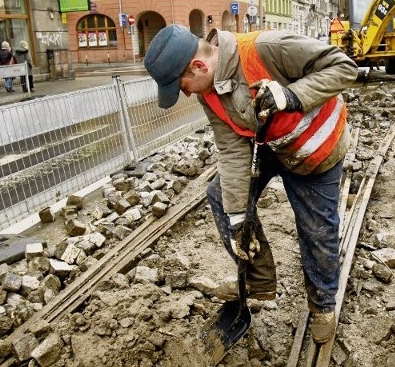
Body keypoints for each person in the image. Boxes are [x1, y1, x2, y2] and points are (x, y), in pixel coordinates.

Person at [144, 25, 358, 343]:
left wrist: (292, 95)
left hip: (315, 146)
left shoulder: (268, 47)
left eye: (182, 85)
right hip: (272, 143)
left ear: (198, 66)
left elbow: (344, 67)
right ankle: (258, 282)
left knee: (316, 230)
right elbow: (231, 150)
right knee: (224, 198)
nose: (186, 93)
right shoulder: (208, 91)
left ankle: (324, 305)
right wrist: (238, 220)